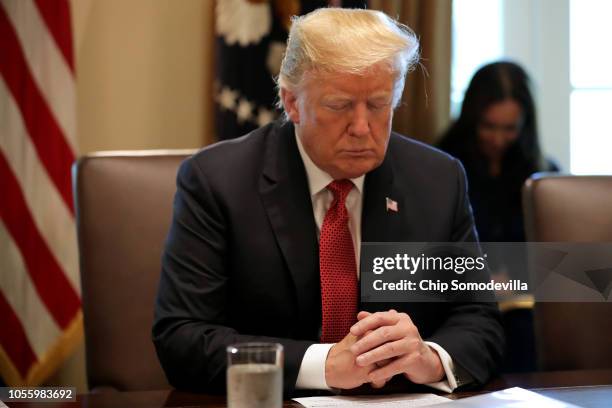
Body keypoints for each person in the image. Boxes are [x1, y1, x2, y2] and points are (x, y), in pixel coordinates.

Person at [153, 8, 503, 397]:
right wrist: (324, 365)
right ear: (292, 103)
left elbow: (479, 318)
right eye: (339, 106)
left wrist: (429, 358)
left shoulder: (437, 180)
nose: (361, 127)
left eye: (378, 104)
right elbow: (182, 338)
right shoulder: (217, 181)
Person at [438, 62, 558, 243]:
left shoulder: (545, 177)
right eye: (488, 126)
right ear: (472, 119)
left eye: (510, 129)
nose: (498, 140)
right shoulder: (441, 168)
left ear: (525, 126)